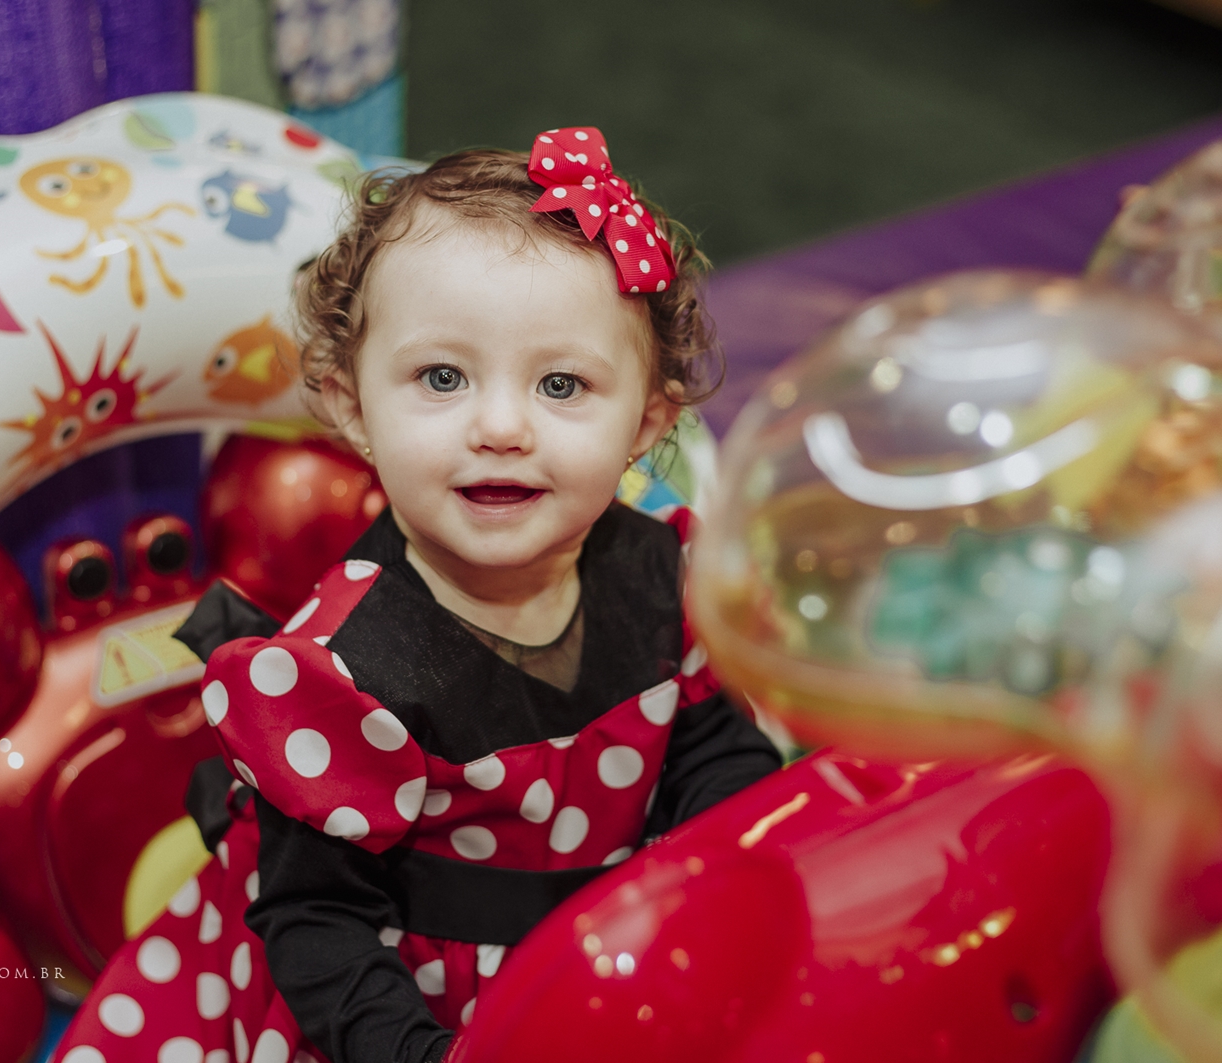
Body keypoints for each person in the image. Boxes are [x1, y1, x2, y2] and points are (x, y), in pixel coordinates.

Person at [50, 128, 781, 1063]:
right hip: (398, 1017)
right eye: (443, 377)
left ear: (646, 421)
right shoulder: (345, 672)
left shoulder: (656, 569)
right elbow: (318, 921)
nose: (503, 426)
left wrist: (739, 851)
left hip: (599, 964)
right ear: (352, 405)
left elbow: (705, 737)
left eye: (562, 384)